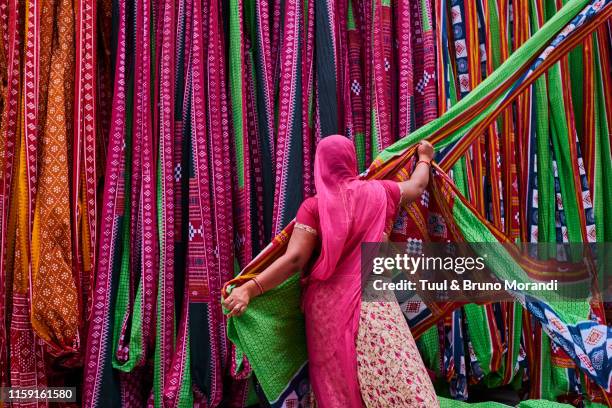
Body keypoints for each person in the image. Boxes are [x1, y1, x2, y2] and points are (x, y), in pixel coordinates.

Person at [222, 135, 439, 407]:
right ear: (351, 162)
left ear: (319, 165)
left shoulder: (314, 207)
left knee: (334, 384)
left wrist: (250, 288)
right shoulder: (381, 192)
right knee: (394, 373)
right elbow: (418, 186)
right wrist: (425, 158)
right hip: (375, 303)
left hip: (326, 311)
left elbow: (295, 259)